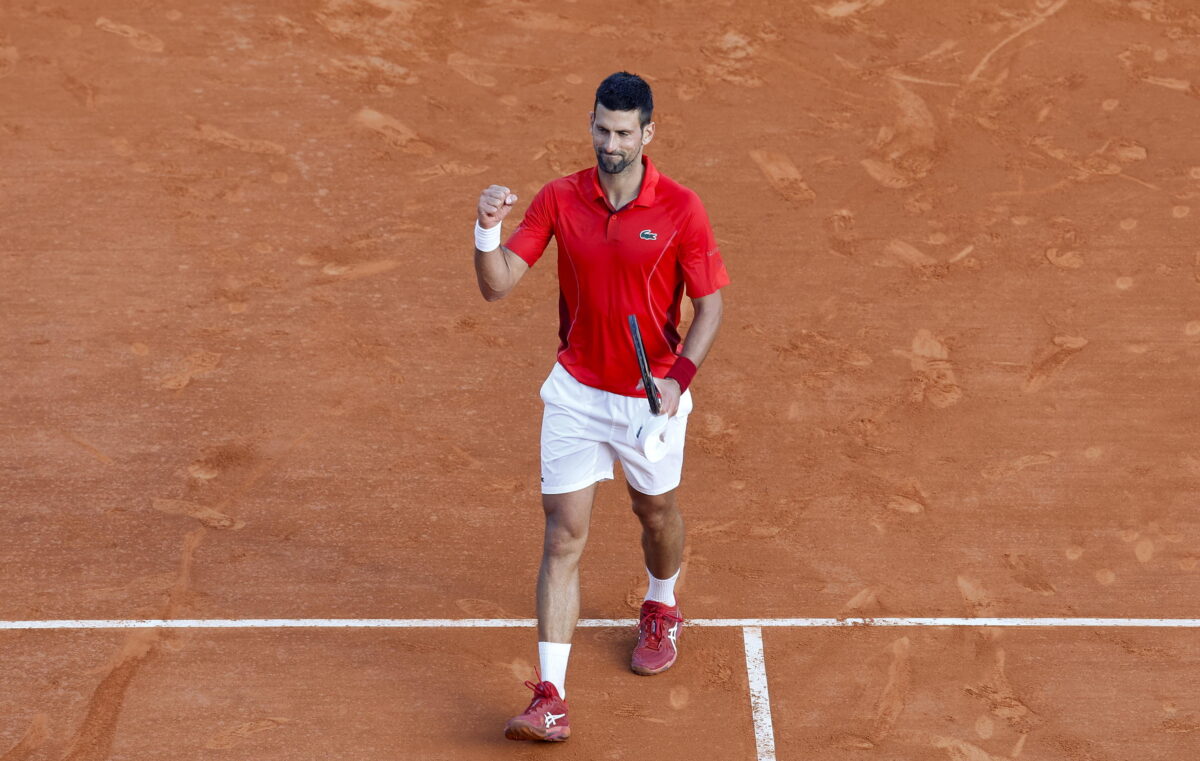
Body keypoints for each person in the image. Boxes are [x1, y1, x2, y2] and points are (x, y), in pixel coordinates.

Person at [472, 71, 729, 742]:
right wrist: (486, 231)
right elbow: (497, 287)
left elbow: (710, 307)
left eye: (622, 132)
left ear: (647, 133)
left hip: (651, 399)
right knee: (563, 533)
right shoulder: (560, 198)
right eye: (600, 128)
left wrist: (679, 378)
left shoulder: (681, 208)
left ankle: (661, 603)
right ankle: (550, 695)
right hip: (578, 393)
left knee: (656, 512)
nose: (609, 143)